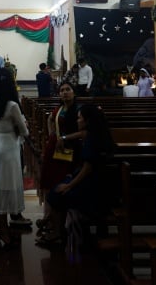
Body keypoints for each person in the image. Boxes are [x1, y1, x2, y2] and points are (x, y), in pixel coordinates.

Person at [37, 104, 116, 249]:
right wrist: (63, 137)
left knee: (55, 194)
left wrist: (69, 185)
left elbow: (87, 168)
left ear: (87, 121)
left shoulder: (92, 140)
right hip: (99, 184)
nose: (77, 121)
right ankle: (55, 226)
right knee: (60, 186)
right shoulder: (97, 133)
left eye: (79, 118)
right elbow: (80, 135)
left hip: (92, 189)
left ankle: (57, 234)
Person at [0, 66, 30, 248]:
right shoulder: (12, 105)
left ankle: (1, 225)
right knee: (9, 185)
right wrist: (24, 124)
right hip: (10, 148)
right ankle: (5, 228)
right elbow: (24, 131)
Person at [37, 81, 80, 235]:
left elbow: (84, 131)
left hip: (71, 150)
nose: (64, 92)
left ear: (74, 92)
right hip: (55, 150)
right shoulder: (59, 109)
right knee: (50, 181)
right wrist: (52, 136)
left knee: (61, 182)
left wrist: (64, 137)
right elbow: (50, 119)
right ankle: (50, 217)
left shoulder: (79, 110)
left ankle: (57, 223)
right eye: (62, 90)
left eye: (68, 89)